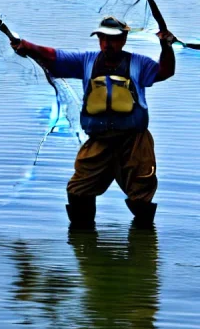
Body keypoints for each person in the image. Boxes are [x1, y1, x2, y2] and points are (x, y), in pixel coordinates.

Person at [11, 16, 175, 229]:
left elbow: (165, 71)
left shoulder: (139, 63)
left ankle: (143, 237)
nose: (107, 44)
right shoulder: (86, 61)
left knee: (141, 192)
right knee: (78, 190)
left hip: (135, 142)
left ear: (124, 39)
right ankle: (83, 241)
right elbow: (53, 56)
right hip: (99, 142)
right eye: (102, 38)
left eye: (113, 39)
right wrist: (28, 47)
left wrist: (167, 47)